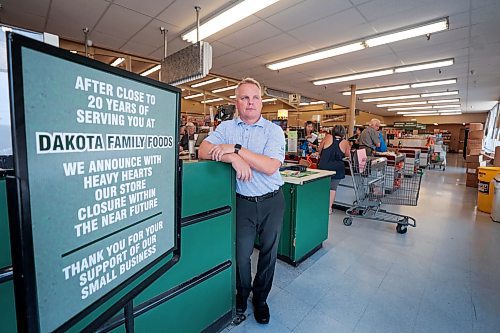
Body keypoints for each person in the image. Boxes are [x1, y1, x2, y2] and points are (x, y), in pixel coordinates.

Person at [198, 78, 285, 325]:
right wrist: (232, 159)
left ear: (261, 101)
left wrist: (236, 149)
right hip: (243, 203)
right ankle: (241, 295)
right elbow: (203, 150)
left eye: (255, 97)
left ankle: (260, 300)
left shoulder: (273, 130)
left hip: (272, 201)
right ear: (236, 102)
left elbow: (269, 166)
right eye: (244, 98)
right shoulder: (226, 127)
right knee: (241, 255)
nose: (250, 102)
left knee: (268, 254)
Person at [318, 125, 350, 213]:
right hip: (337, 168)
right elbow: (348, 156)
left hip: (323, 166)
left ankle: (319, 205)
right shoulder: (345, 142)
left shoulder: (327, 137)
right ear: (344, 133)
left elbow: (319, 149)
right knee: (332, 188)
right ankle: (329, 208)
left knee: (322, 187)